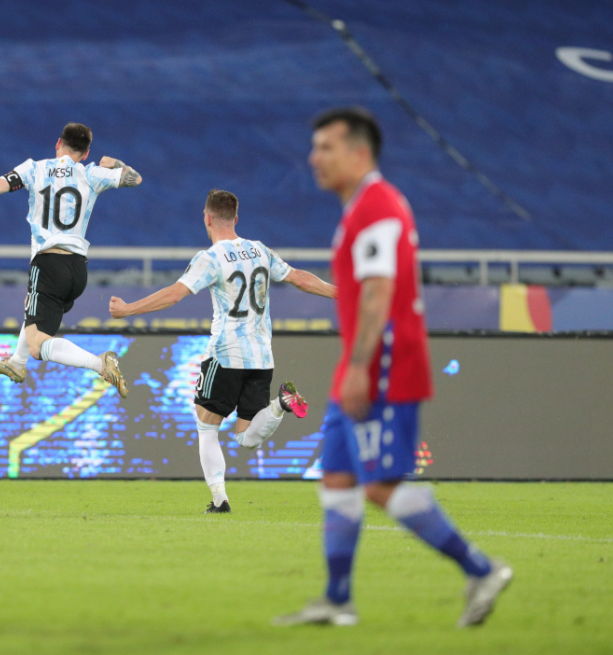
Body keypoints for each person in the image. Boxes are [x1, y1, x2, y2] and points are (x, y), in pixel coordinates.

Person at [274, 108, 512, 628]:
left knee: (380, 484)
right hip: (360, 364)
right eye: (314, 147)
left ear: (360, 153)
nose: (314, 157)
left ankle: (482, 569)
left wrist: (361, 367)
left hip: (383, 364)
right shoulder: (361, 207)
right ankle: (337, 600)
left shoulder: (378, 207)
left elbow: (380, 290)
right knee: (337, 477)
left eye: (326, 148)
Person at [108, 189, 336, 513]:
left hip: (226, 354)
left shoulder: (211, 258)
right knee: (246, 437)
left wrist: (129, 309)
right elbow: (299, 278)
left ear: (207, 218)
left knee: (206, 425)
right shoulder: (259, 250)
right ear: (236, 218)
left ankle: (220, 500)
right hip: (262, 357)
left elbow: (175, 294)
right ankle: (279, 405)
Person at [0, 123, 140, 397]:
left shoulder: (34, 169)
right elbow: (134, 178)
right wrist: (114, 163)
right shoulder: (92, 173)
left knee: (38, 345)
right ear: (86, 151)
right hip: (77, 270)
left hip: (48, 264)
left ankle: (99, 363)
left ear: (58, 143)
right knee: (33, 313)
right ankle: (16, 364)